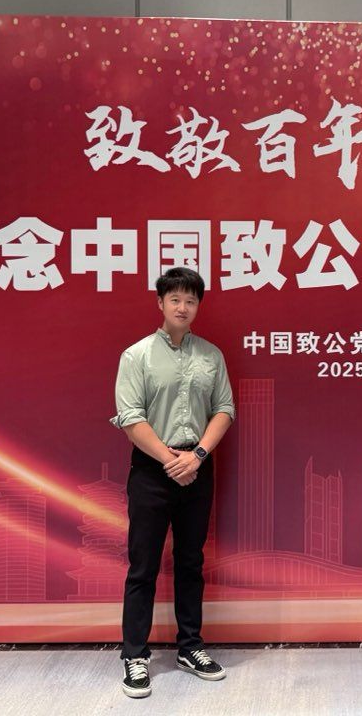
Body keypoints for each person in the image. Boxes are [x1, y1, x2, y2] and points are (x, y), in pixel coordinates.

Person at [111, 266, 235, 698]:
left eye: (191, 300)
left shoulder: (211, 356)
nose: (183, 307)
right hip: (153, 470)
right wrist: (170, 461)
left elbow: (224, 409)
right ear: (160, 303)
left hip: (197, 467)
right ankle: (135, 655)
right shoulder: (137, 356)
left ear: (198, 306)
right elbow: (130, 417)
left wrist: (196, 455)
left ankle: (190, 647)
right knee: (143, 566)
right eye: (175, 299)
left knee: (190, 561)